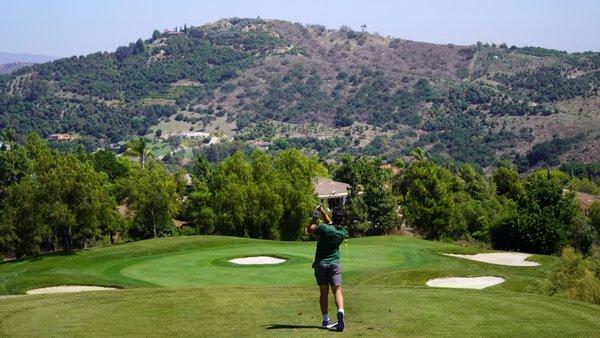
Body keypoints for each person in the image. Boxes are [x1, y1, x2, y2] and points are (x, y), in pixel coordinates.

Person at [307, 205, 348, 332]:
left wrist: (315, 216)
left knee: (324, 293)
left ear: (333, 216)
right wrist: (323, 212)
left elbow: (310, 229)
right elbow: (331, 223)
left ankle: (326, 320)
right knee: (337, 291)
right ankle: (340, 312)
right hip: (335, 264)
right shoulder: (342, 232)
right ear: (343, 220)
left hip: (321, 264)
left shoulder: (324, 228)